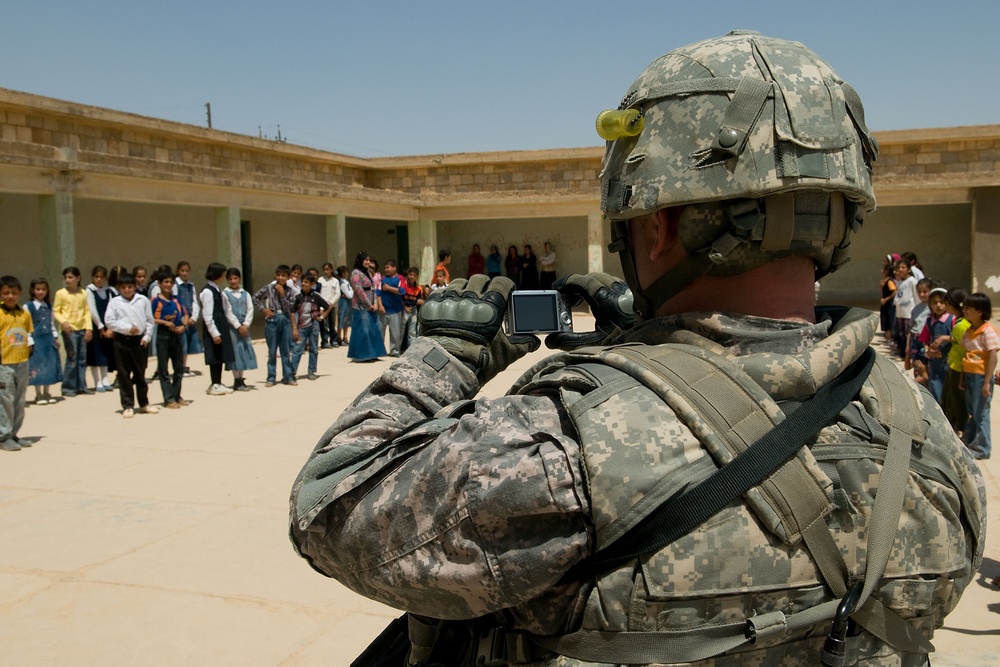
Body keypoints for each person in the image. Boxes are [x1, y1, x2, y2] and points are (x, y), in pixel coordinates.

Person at [289, 32, 985, 666]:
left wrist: (445, 352)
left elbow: (328, 509)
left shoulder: (560, 448)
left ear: (659, 228)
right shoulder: (922, 432)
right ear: (838, 218)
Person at [104, 272, 157, 418]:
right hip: (122, 340)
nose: (127, 290)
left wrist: (146, 337)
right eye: (123, 287)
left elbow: (149, 321)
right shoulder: (115, 302)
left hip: (139, 341)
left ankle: (144, 403)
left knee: (140, 374)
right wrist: (127, 328)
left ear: (135, 287)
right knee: (124, 374)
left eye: (130, 287)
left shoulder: (143, 300)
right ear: (119, 288)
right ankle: (127, 405)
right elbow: (109, 321)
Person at [959, 292, 998, 460]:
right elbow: (967, 355)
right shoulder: (970, 330)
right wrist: (962, 378)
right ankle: (972, 441)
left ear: (980, 311)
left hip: (981, 377)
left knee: (981, 412)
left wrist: (987, 382)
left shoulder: (987, 331)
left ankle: (982, 448)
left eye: (968, 308)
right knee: (972, 411)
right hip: (969, 376)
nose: (965, 311)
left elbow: (993, 358)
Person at [0, 275, 33, 451]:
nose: (10, 296)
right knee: (5, 400)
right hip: (4, 364)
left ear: (19, 293)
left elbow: (28, 335)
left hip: (22, 362)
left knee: (19, 401)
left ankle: (13, 433)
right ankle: (3, 436)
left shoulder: (24, 314)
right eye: (6, 293)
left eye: (13, 293)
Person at [151, 270, 188, 409]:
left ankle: (177, 395)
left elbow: (185, 313)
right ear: (159, 283)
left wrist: (183, 326)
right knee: (163, 369)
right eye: (165, 282)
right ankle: (168, 398)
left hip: (177, 335)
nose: (168, 285)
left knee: (179, 367)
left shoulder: (176, 299)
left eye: (170, 282)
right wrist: (165, 323)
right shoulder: (156, 301)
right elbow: (150, 317)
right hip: (163, 335)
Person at [53, 266, 92, 396]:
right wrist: (64, 322)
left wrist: (89, 328)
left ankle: (81, 385)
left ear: (78, 278)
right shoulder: (61, 293)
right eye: (66, 278)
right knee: (72, 358)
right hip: (69, 330)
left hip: (81, 329)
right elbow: (56, 311)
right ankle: (68, 387)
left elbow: (86, 311)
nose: (68, 280)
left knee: (82, 358)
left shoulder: (83, 293)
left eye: (70, 277)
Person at [254, 265, 296, 387]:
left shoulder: (290, 291)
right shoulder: (269, 288)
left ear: (288, 277)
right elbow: (255, 297)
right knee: (272, 350)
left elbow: (289, 308)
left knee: (285, 350)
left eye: (283, 276)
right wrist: (263, 309)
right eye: (278, 275)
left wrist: (282, 295)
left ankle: (287, 376)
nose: (280, 278)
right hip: (272, 320)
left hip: (285, 320)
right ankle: (271, 377)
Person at [201, 263, 236, 395]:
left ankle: (218, 382)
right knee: (214, 356)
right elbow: (207, 315)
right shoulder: (207, 291)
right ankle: (214, 383)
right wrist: (214, 333)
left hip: (221, 324)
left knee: (220, 355)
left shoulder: (217, 289)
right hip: (214, 326)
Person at [289, 274, 331, 382]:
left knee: (313, 349)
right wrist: (294, 328)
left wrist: (322, 317)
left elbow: (328, 306)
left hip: (314, 327)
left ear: (312, 284)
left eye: (306, 282)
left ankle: (311, 371)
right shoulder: (298, 297)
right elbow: (292, 312)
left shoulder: (316, 296)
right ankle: (292, 372)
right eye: (302, 281)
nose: (303, 284)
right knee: (297, 349)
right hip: (301, 327)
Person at [25, 278, 61, 404]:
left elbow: (51, 323)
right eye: (38, 289)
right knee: (38, 366)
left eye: (43, 289)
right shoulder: (28, 306)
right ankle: (38, 394)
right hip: (36, 339)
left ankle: (47, 392)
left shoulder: (49, 306)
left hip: (48, 339)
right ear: (33, 290)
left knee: (49, 365)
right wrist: (29, 341)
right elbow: (26, 325)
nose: (41, 292)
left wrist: (55, 337)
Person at [346, 251, 386, 363]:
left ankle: (374, 353)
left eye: (369, 260)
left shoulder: (368, 272)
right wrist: (368, 304)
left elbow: (373, 288)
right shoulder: (355, 273)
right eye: (366, 260)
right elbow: (359, 291)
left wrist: (374, 303)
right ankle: (364, 355)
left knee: (375, 329)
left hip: (371, 305)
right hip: (360, 306)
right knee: (363, 330)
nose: (368, 262)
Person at [222, 267, 257, 391]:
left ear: (239, 279)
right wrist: (238, 326)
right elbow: (228, 312)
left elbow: (250, 309)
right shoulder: (225, 294)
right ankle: (236, 379)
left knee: (243, 350)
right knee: (235, 352)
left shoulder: (245, 294)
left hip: (244, 327)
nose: (233, 281)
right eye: (230, 279)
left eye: (235, 278)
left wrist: (246, 324)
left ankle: (241, 378)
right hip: (232, 328)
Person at [920, 286, 955, 404]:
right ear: (930, 304)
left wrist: (944, 338)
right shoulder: (929, 321)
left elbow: (959, 340)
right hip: (935, 365)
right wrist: (928, 352)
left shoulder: (953, 319)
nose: (938, 305)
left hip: (951, 364)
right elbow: (925, 341)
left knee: (950, 395)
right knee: (935, 393)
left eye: (942, 302)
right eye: (935, 303)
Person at [85, 265, 116, 392]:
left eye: (101, 277)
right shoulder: (89, 290)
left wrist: (109, 326)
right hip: (95, 326)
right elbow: (92, 310)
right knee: (95, 354)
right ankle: (97, 381)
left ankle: (105, 379)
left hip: (107, 325)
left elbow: (111, 308)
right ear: (93, 277)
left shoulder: (108, 291)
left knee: (105, 352)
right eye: (96, 277)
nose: (99, 280)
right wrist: (100, 325)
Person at [175, 261, 203, 378]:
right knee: (182, 344)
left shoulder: (191, 285)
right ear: (178, 271)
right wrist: (182, 319)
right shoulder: (175, 285)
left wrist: (194, 316)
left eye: (187, 271)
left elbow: (194, 301)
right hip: (180, 319)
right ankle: (179, 367)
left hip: (190, 317)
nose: (185, 273)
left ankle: (184, 366)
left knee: (188, 343)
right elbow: (176, 302)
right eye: (182, 271)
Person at [380, 260, 404, 356]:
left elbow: (401, 291)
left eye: (388, 267)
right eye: (385, 268)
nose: (386, 270)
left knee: (395, 332)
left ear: (394, 268)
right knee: (381, 331)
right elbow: (378, 292)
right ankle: (380, 350)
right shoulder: (382, 279)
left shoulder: (400, 278)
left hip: (395, 310)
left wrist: (388, 288)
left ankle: (394, 350)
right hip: (383, 310)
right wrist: (380, 305)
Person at [400, 266, 426, 353]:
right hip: (405, 308)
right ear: (407, 275)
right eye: (410, 274)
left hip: (413, 309)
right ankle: (399, 348)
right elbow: (401, 298)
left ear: (417, 277)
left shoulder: (418, 289)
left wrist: (420, 301)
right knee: (402, 329)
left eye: (414, 275)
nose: (412, 277)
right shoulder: (404, 286)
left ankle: (411, 349)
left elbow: (419, 299)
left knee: (412, 330)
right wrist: (405, 307)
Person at [317, 262, 340, 349]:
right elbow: (318, 293)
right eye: (325, 270)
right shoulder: (320, 280)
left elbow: (337, 294)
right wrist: (321, 306)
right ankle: (325, 341)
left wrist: (331, 302)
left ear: (331, 270)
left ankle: (333, 340)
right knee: (324, 324)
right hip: (323, 306)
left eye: (328, 269)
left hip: (332, 306)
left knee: (332, 324)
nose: (326, 271)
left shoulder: (335, 281)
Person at [878, 260, 896, 345]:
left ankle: (890, 341)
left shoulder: (889, 281)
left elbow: (894, 291)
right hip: (885, 305)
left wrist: (886, 299)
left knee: (888, 322)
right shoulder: (885, 281)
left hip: (888, 305)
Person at [336, 265, 353, 346]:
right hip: (343, 303)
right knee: (342, 318)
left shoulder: (346, 282)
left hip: (347, 303)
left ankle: (345, 337)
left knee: (346, 319)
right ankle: (339, 337)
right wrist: (353, 290)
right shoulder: (342, 283)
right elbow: (349, 295)